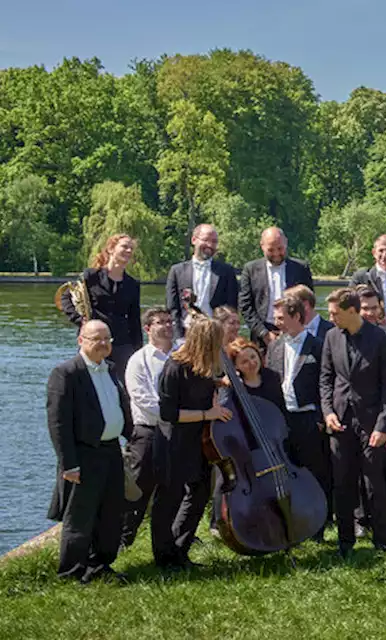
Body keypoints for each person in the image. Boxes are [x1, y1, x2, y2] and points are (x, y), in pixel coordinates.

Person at [46, 320, 133, 583]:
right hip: (84, 455)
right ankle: (71, 571)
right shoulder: (66, 373)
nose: (104, 344)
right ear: (80, 340)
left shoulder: (111, 369)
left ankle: (100, 565)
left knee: (111, 513)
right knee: (80, 516)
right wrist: (68, 464)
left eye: (107, 339)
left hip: (111, 450)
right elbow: (57, 422)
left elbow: (119, 407)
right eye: (97, 339)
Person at [320, 288, 386, 557]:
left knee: (373, 481)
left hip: (371, 420)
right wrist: (327, 411)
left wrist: (382, 426)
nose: (330, 318)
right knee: (342, 482)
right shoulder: (331, 337)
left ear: (352, 311)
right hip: (340, 419)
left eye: (335, 313)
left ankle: (381, 541)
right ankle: (345, 541)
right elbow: (326, 379)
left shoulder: (381, 339)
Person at [153, 315, 228, 569]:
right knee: (170, 498)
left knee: (199, 493)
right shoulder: (174, 367)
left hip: (199, 440)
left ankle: (180, 549)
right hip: (175, 442)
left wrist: (219, 383)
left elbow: (200, 389)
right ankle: (164, 557)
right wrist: (209, 415)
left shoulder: (202, 367)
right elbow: (169, 414)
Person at [265, 295, 330, 539]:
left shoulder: (318, 345)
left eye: (281, 317)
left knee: (314, 474)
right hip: (282, 421)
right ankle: (290, 525)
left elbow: (327, 384)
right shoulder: (274, 346)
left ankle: (318, 527)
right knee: (284, 474)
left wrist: (323, 417)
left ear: (296, 316)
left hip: (309, 419)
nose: (276, 322)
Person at [120, 308, 174, 548]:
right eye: (160, 322)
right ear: (147, 329)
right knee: (138, 491)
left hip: (178, 433)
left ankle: (165, 546)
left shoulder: (181, 354)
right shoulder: (138, 360)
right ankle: (121, 542)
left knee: (171, 491)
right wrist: (180, 414)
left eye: (170, 321)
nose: (167, 326)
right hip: (148, 433)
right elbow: (143, 400)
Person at [60, 233, 143, 369]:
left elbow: (134, 320)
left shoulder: (132, 284)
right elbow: (65, 297)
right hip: (93, 340)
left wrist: (138, 350)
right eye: (124, 247)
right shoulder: (91, 276)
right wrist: (80, 321)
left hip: (122, 344)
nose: (129, 251)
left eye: (131, 248)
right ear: (111, 249)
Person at [238, 227, 314, 347]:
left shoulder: (301, 268)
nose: (276, 254)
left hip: (295, 331)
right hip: (262, 334)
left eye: (280, 248)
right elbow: (245, 306)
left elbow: (308, 303)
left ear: (286, 243)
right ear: (262, 246)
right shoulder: (250, 269)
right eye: (271, 250)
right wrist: (264, 333)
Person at [166, 224, 239, 338]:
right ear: (194, 240)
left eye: (214, 241)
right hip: (186, 334)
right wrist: (178, 338)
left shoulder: (227, 272)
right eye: (205, 240)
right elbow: (172, 309)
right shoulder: (177, 271)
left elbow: (232, 307)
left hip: (216, 335)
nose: (210, 245)